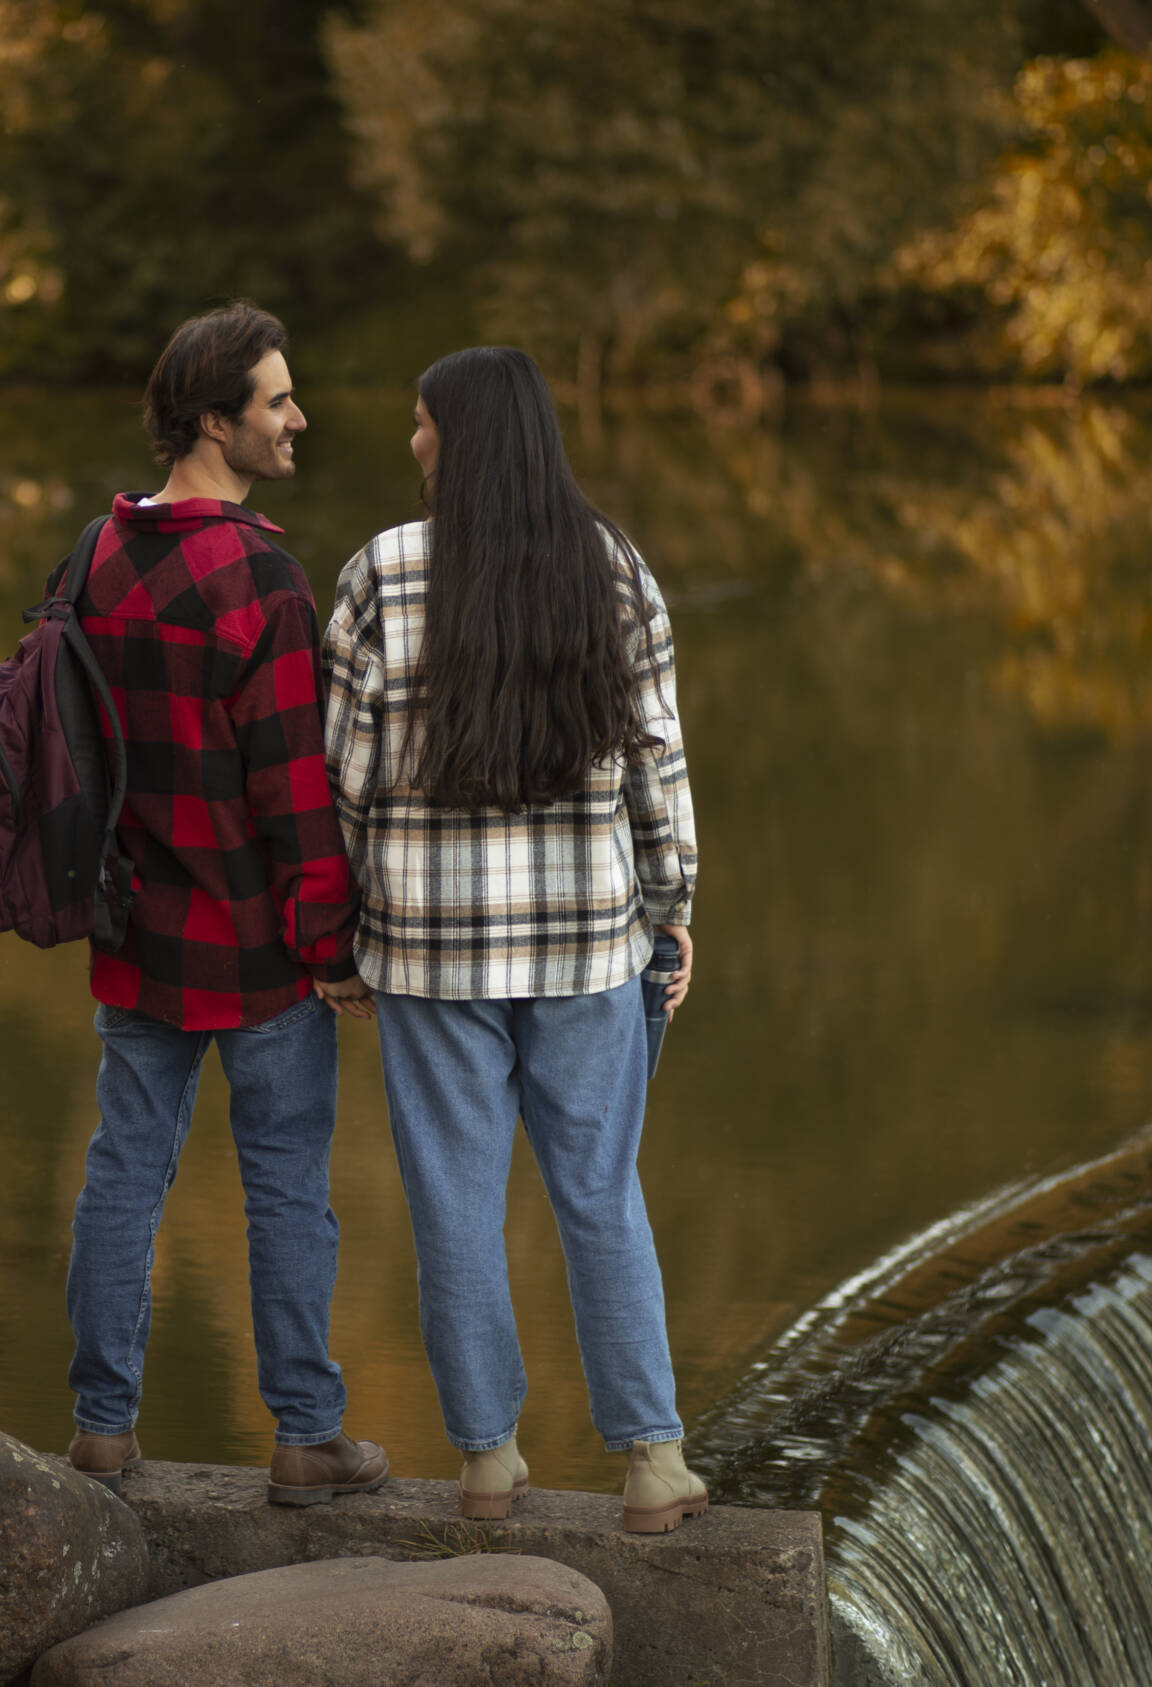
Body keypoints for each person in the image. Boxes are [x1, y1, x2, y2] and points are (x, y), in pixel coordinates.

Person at [321, 345, 705, 1532]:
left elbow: (342, 778)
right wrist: (671, 904)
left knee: (452, 1203)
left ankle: (487, 1460)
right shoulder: (612, 569)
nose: (413, 443)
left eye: (423, 424)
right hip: (590, 946)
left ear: (466, 439)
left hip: (429, 953)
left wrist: (340, 929)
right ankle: (650, 1462)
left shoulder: (381, 574)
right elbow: (657, 761)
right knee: (601, 1195)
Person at [58, 301, 386, 1506]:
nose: (297, 418)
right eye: (277, 401)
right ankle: (306, 1439)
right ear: (215, 420)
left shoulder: (93, 556)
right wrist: (331, 949)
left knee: (122, 1175)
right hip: (256, 954)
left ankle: (101, 1431)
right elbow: (297, 798)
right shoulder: (262, 580)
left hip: (136, 932)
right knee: (287, 1183)